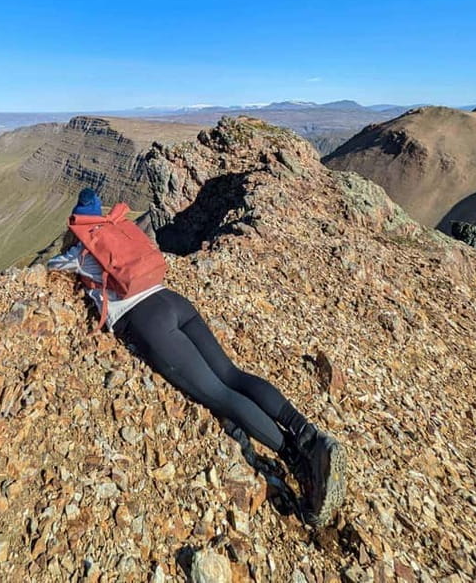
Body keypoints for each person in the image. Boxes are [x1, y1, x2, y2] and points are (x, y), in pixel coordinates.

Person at [48, 188, 346, 526]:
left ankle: (300, 462)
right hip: (172, 301)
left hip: (147, 320)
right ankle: (306, 433)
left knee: (219, 395)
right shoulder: (117, 228)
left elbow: (49, 268)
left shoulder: (80, 249)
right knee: (232, 375)